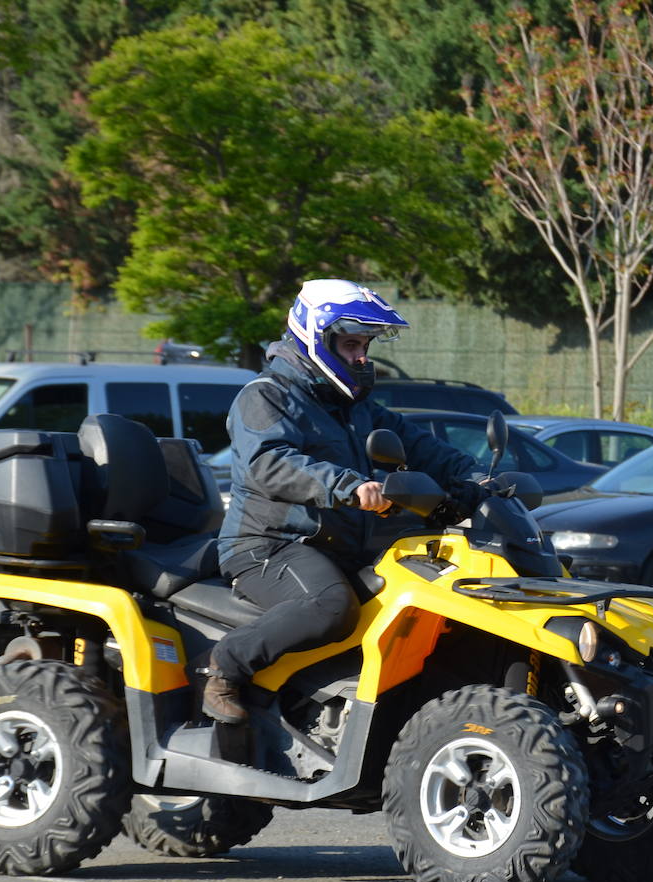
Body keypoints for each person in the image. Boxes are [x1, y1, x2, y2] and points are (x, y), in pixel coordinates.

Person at [204, 279, 484, 724]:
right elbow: (267, 462)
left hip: (337, 545)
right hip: (266, 546)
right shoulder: (265, 396)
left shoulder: (356, 406)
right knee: (331, 607)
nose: (362, 356)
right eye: (352, 344)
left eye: (365, 345)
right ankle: (226, 666)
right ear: (317, 337)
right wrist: (347, 485)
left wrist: (477, 477)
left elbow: (422, 446)